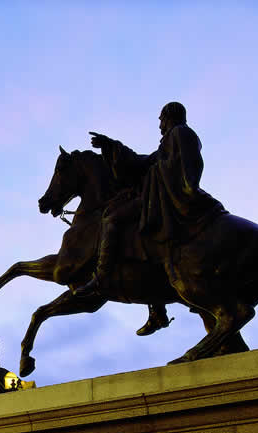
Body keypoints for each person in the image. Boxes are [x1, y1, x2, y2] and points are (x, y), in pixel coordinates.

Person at [80, 102, 226, 335]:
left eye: (161, 119)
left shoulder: (180, 133)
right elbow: (145, 162)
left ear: (170, 117)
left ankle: (101, 277)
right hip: (158, 194)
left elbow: (185, 169)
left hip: (165, 198)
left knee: (113, 219)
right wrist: (110, 146)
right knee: (139, 239)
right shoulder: (169, 140)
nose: (159, 125)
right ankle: (156, 310)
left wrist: (180, 186)